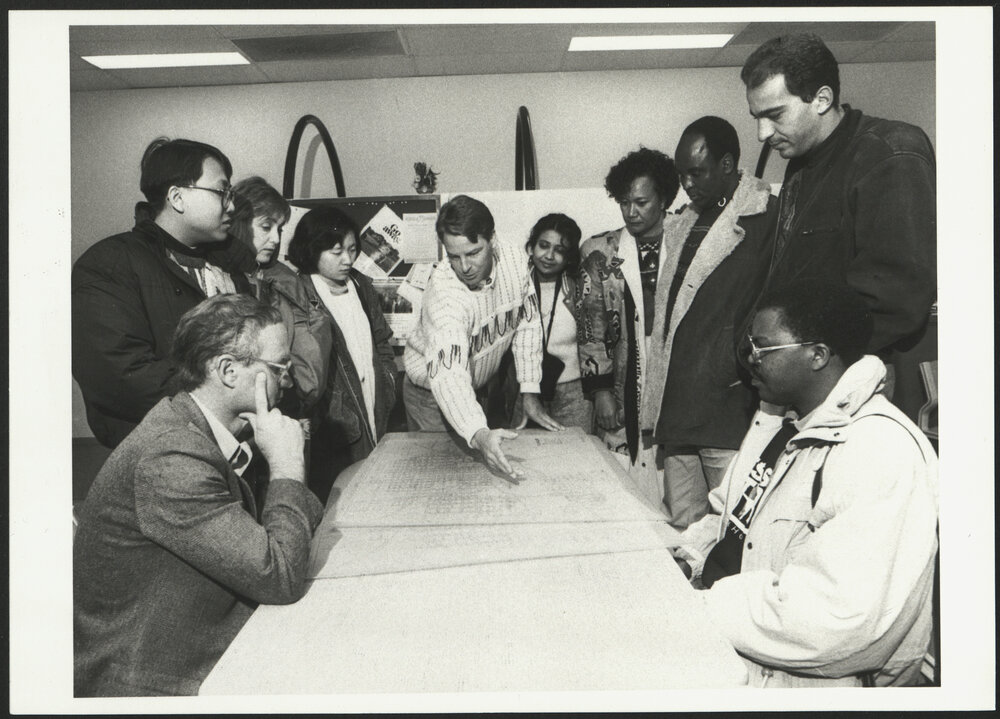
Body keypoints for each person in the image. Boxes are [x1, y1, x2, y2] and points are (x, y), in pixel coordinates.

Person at [668, 281, 938, 688]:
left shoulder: (878, 448)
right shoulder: (779, 419)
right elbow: (728, 517)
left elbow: (837, 617)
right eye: (749, 348)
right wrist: (682, 561)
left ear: (818, 356)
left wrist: (696, 606)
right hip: (734, 632)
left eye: (763, 348)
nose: (750, 361)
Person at [73, 294, 324, 696]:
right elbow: (281, 576)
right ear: (227, 370)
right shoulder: (171, 457)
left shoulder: (202, 430)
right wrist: (288, 466)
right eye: (280, 369)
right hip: (152, 679)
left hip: (191, 635)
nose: (288, 381)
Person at [741, 32, 936, 418]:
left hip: (852, 391)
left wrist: (806, 365)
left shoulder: (889, 152)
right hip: (809, 386)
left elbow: (895, 301)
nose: (762, 134)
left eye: (775, 115)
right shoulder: (804, 161)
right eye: (756, 118)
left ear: (822, 100)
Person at [639, 116, 779, 529]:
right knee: (683, 530)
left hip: (730, 410)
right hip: (678, 409)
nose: (687, 183)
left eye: (696, 172)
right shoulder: (682, 223)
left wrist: (733, 367)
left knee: (734, 531)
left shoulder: (764, 218)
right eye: (682, 174)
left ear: (728, 164)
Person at [72, 137, 256, 448]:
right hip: (157, 454)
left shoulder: (231, 268)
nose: (232, 205)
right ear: (177, 197)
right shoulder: (110, 264)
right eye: (221, 192)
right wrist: (231, 398)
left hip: (235, 448)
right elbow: (124, 376)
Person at [403, 194, 564, 480]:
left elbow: (526, 323)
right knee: (443, 481)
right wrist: (478, 433)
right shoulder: (445, 295)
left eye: (473, 252)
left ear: (492, 239)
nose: (464, 267)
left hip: (477, 386)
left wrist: (529, 389)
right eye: (454, 256)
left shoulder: (514, 261)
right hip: (431, 395)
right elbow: (449, 376)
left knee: (479, 477)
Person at [576, 147, 679, 506]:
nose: (631, 212)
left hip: (674, 371)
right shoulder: (599, 251)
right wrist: (601, 390)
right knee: (621, 480)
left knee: (676, 478)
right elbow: (591, 326)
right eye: (624, 202)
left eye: (641, 202)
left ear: (664, 198)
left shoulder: (687, 240)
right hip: (623, 374)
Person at [286, 206, 397, 503]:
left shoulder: (361, 285)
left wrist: (387, 382)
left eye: (351, 249)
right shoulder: (299, 295)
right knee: (342, 500)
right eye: (337, 252)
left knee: (376, 493)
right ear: (313, 249)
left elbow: (382, 341)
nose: (347, 260)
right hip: (335, 429)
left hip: (376, 407)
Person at [230, 176, 328, 421]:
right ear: (240, 223)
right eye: (266, 226)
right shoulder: (220, 276)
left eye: (280, 229)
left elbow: (309, 362)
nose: (275, 239)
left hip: (289, 410)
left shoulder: (285, 280)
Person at [506, 213, 592, 433]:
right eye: (543, 246)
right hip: (526, 392)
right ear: (532, 246)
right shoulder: (515, 285)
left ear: (569, 256)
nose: (549, 256)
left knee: (575, 461)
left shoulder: (579, 288)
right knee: (526, 460)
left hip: (573, 396)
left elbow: (596, 342)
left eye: (559, 250)